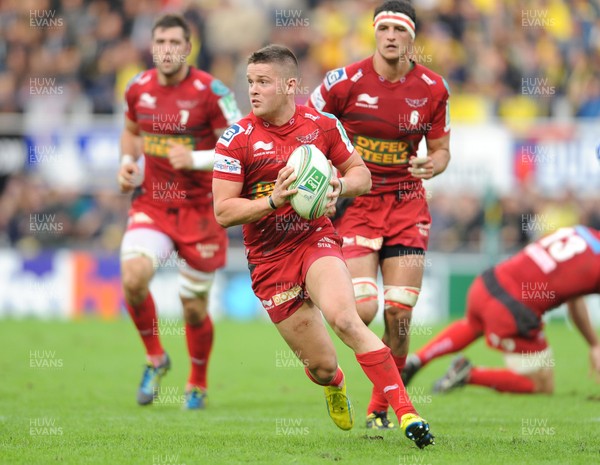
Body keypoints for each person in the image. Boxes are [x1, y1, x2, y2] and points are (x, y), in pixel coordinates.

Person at [212, 44, 434, 449]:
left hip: (314, 239)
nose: (254, 91)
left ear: (290, 85)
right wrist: (273, 201)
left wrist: (338, 186)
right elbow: (223, 211)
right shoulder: (236, 139)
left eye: (263, 82)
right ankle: (335, 383)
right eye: (250, 83)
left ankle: (406, 413)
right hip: (268, 260)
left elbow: (361, 175)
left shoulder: (323, 125)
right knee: (321, 366)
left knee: (347, 319)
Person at [307, 0, 451, 429]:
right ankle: (332, 370)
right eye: (384, 27)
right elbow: (306, 123)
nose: (391, 36)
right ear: (375, 32)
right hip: (358, 204)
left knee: (400, 315)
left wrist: (433, 164)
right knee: (365, 308)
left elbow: (442, 151)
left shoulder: (433, 88)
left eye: (399, 29)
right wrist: (319, 172)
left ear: (412, 37)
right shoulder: (343, 82)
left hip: (407, 203)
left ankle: (380, 408)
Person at [117, 14, 242, 409]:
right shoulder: (138, 87)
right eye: (160, 42)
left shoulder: (212, 92)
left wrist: (197, 157)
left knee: (192, 307)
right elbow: (132, 131)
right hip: (153, 203)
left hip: (202, 211)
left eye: (175, 42)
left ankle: (197, 382)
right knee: (134, 278)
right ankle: (156, 358)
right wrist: (125, 161)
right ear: (152, 47)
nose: (167, 49)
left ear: (189, 47)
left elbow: (241, 145)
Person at [401, 225, 600, 395]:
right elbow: (576, 299)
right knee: (541, 384)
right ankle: (468, 374)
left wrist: (593, 344)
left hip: (487, 282)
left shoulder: (582, 231)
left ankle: (417, 360)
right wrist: (594, 345)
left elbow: (574, 294)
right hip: (513, 309)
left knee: (473, 324)